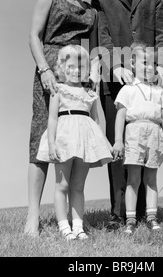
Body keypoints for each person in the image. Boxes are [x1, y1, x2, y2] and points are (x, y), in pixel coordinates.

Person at [91, 0, 163, 229]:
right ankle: (119, 215)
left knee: (147, 142)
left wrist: (161, 67)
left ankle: (145, 214)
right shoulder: (100, 0)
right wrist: (115, 66)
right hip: (115, 85)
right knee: (120, 147)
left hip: (148, 85)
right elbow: (101, 37)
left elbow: (162, 34)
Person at [25, 0, 99, 236]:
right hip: (50, 69)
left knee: (73, 139)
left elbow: (94, 51)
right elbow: (34, 35)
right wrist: (44, 69)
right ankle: (33, 216)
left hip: (76, 74)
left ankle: (71, 219)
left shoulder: (91, 11)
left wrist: (93, 74)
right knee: (42, 135)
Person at [36, 45, 113, 240]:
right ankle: (64, 227)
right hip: (63, 139)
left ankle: (78, 226)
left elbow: (95, 120)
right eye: (70, 66)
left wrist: (104, 142)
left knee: (78, 185)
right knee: (62, 184)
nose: (75, 71)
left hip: (84, 141)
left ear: (86, 69)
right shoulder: (58, 90)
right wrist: (52, 144)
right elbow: (52, 118)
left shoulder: (90, 93)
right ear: (61, 68)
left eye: (80, 67)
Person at [112, 41, 163, 234]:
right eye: (144, 62)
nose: (149, 67)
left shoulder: (158, 90)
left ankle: (152, 217)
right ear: (132, 63)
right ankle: (130, 219)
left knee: (151, 178)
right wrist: (118, 141)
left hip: (154, 134)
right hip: (134, 134)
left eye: (153, 64)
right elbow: (120, 115)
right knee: (134, 178)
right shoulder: (127, 89)